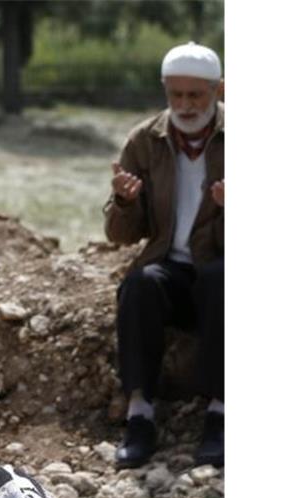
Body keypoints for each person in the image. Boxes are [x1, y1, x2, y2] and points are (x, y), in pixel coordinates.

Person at [104, 41, 224, 469]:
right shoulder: (145, 140)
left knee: (220, 280)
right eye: (176, 95)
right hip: (170, 268)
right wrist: (124, 203)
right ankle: (140, 415)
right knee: (139, 285)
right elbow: (120, 236)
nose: (185, 105)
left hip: (220, 267)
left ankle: (220, 414)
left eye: (196, 95)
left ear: (219, 91)